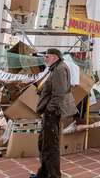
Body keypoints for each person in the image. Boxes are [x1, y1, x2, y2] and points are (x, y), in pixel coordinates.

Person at [31, 49, 77, 178]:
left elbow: (59, 93)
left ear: (55, 57)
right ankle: (44, 174)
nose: (45, 59)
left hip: (52, 113)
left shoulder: (59, 70)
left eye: (47, 56)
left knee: (50, 147)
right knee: (44, 143)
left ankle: (54, 175)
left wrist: (50, 109)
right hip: (50, 112)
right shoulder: (55, 68)